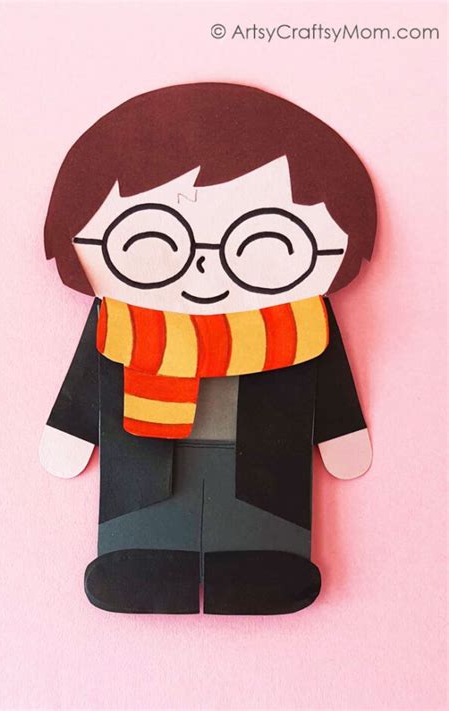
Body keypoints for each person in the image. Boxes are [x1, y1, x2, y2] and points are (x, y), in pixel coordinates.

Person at [40, 83, 376, 615]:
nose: (204, 267)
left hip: (265, 452)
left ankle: (269, 567)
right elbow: (92, 374)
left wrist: (341, 432)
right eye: (152, 239)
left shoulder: (302, 325)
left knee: (267, 518)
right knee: (144, 519)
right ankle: (138, 562)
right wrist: (70, 428)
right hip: (148, 459)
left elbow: (326, 380)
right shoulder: (122, 322)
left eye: (267, 241)